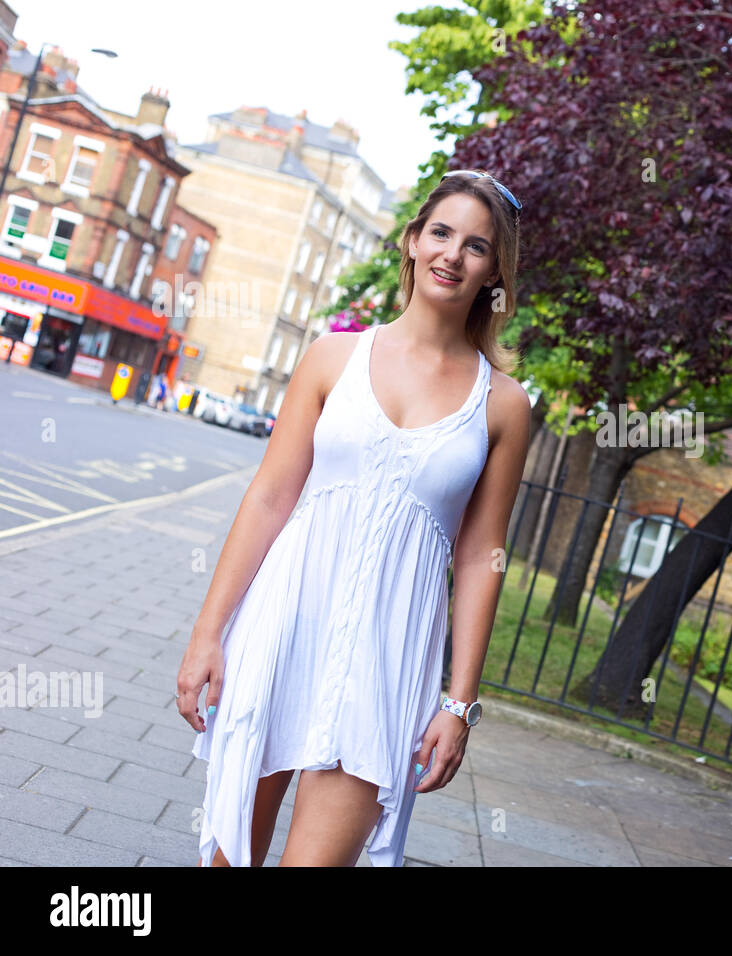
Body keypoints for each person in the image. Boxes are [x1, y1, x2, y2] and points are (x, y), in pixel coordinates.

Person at [175, 169, 532, 866]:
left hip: (387, 658)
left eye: (477, 246)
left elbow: (482, 557)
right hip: (284, 627)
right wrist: (207, 635)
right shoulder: (332, 357)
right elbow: (271, 497)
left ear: (496, 272)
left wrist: (458, 705)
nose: (453, 255)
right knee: (226, 860)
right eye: (441, 232)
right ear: (410, 241)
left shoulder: (505, 406)